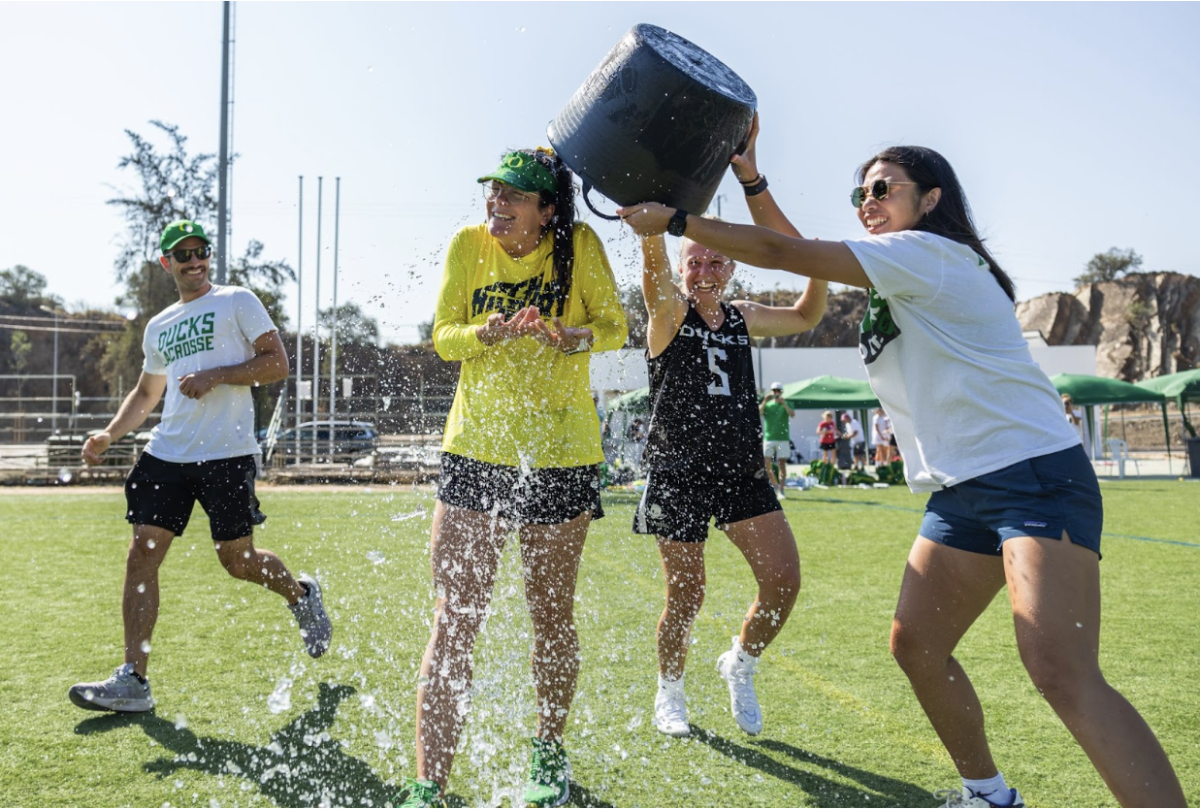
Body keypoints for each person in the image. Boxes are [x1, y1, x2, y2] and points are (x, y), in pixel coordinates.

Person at [619, 128, 1185, 807]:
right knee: (916, 644)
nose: (867, 201)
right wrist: (751, 181)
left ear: (932, 198)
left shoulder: (928, 253)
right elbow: (805, 259)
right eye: (860, 193)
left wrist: (677, 219)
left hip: (1028, 470)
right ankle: (988, 794)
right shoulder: (902, 262)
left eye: (883, 189)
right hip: (960, 487)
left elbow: (784, 255)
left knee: (1061, 672)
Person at [397, 148, 627, 809]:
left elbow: (613, 328)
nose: (497, 204)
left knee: (550, 614)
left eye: (514, 195)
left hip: (561, 452)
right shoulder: (468, 246)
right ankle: (428, 784)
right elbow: (443, 335)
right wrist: (484, 333)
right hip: (475, 451)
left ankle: (547, 752)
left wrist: (568, 336)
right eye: (493, 191)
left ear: (547, 209)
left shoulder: (578, 244)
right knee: (453, 617)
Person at [69, 220, 331, 714]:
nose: (194, 261)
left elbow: (276, 364)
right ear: (166, 262)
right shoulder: (160, 325)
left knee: (237, 561)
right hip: (167, 453)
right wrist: (110, 433)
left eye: (200, 252)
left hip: (226, 453)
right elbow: (148, 393)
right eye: (182, 255)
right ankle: (134, 680)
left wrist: (216, 376)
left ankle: (300, 595)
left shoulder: (237, 300)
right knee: (142, 551)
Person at [628, 118, 828, 740]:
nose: (708, 266)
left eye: (718, 258)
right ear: (685, 266)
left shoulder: (742, 317)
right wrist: (653, 234)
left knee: (783, 582)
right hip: (679, 470)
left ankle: (739, 661)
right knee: (685, 596)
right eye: (698, 259)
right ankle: (670, 691)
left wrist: (819, 263)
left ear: (732, 267)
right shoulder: (669, 313)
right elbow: (654, 280)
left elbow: (805, 315)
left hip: (739, 469)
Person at [760, 381, 794, 498]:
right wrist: (764, 400)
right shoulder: (768, 405)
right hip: (769, 438)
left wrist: (784, 404)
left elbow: (792, 414)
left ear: (781, 392)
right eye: (774, 391)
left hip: (782, 438)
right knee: (766, 464)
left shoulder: (787, 403)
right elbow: (758, 412)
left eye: (778, 391)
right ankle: (775, 486)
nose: (776, 393)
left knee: (782, 465)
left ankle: (782, 490)